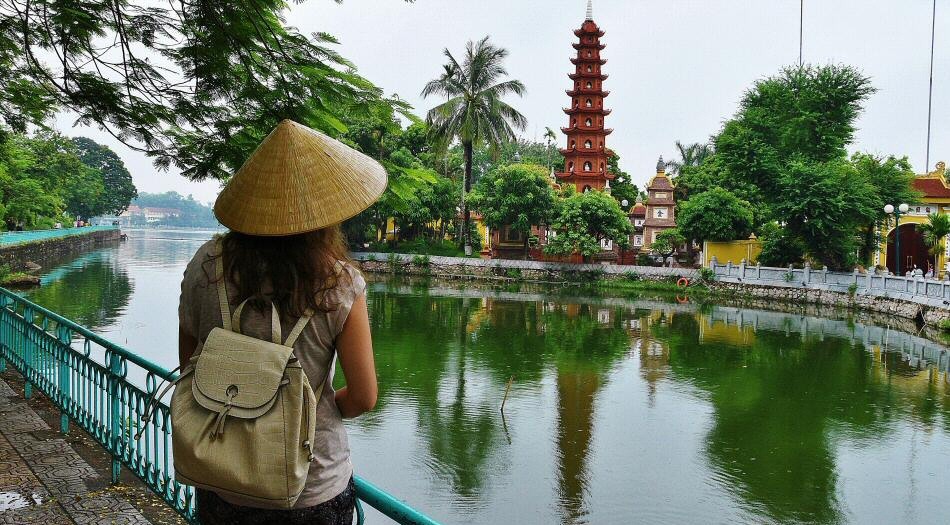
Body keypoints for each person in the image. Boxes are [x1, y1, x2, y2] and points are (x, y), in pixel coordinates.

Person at [178, 120, 387, 525]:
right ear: (326, 212)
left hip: (221, 474)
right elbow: (363, 397)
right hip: (311, 486)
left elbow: (192, 368)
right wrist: (305, 411)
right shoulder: (340, 283)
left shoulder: (206, 266)